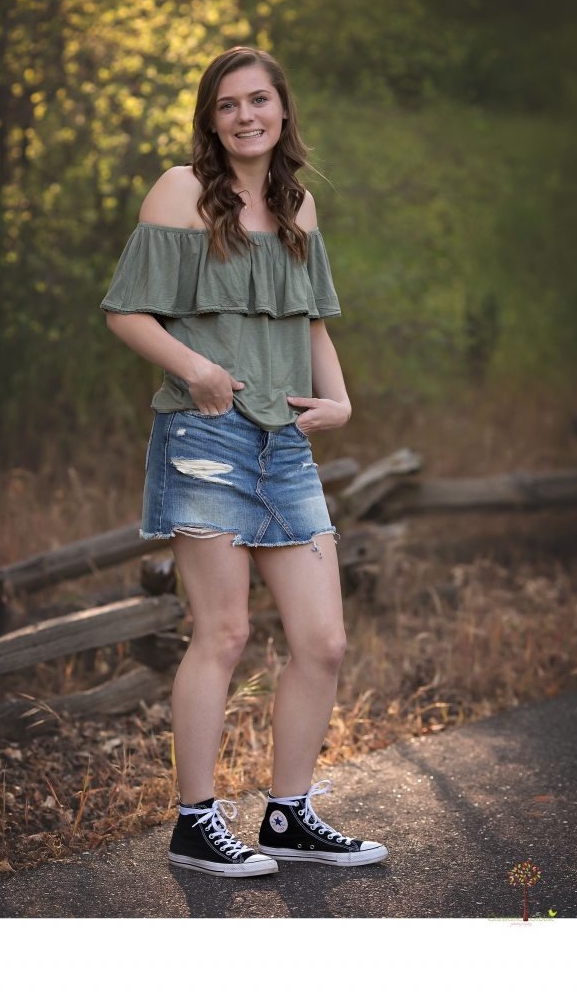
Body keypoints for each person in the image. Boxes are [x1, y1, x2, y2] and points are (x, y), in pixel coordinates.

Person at [102, 46, 388, 877]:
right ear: (211, 118)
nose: (245, 116)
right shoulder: (181, 191)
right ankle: (196, 823)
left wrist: (337, 400)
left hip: (285, 446)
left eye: (258, 99)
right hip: (208, 440)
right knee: (223, 634)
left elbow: (312, 325)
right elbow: (127, 312)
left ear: (283, 109)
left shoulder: (299, 208)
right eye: (227, 105)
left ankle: (289, 818)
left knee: (323, 640)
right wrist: (197, 371)